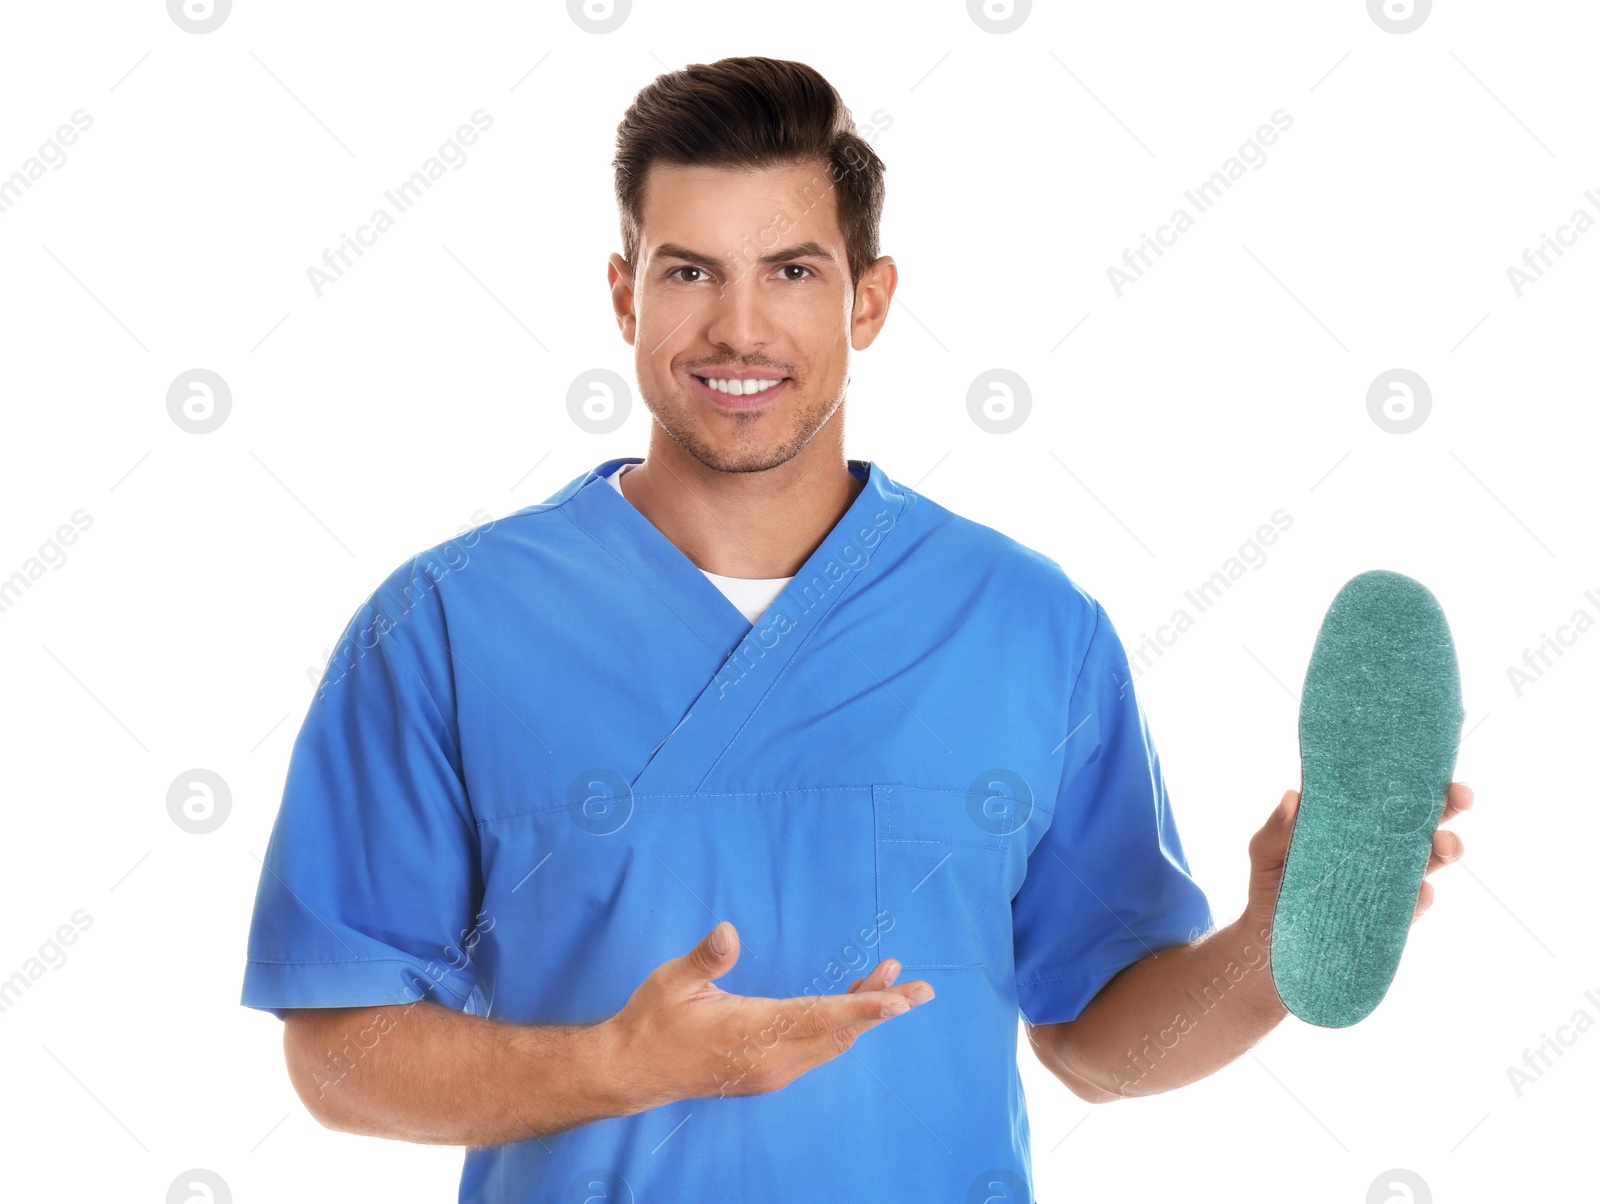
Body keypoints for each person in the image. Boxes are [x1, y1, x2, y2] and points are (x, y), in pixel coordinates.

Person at [240, 55, 1472, 1200]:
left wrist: (1271, 939)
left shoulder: (1027, 627)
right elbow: (341, 1060)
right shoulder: (446, 626)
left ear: (868, 300)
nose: (736, 328)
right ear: (623, 296)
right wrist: (624, 1062)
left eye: (790, 270)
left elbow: (1100, 1050)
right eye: (687, 271)